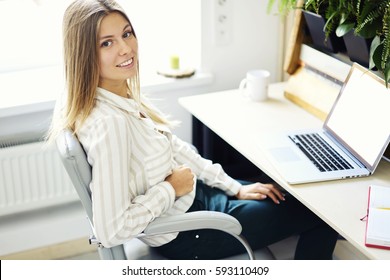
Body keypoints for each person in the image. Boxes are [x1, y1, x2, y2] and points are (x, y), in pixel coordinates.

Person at [48, 0, 338, 260]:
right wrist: (171, 188)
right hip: (190, 232)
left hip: (198, 199)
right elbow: (110, 230)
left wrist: (234, 187)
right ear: (84, 54)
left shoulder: (116, 97)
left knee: (277, 188)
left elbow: (176, 149)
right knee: (324, 214)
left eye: (126, 34)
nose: (126, 48)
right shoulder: (109, 124)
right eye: (106, 43)